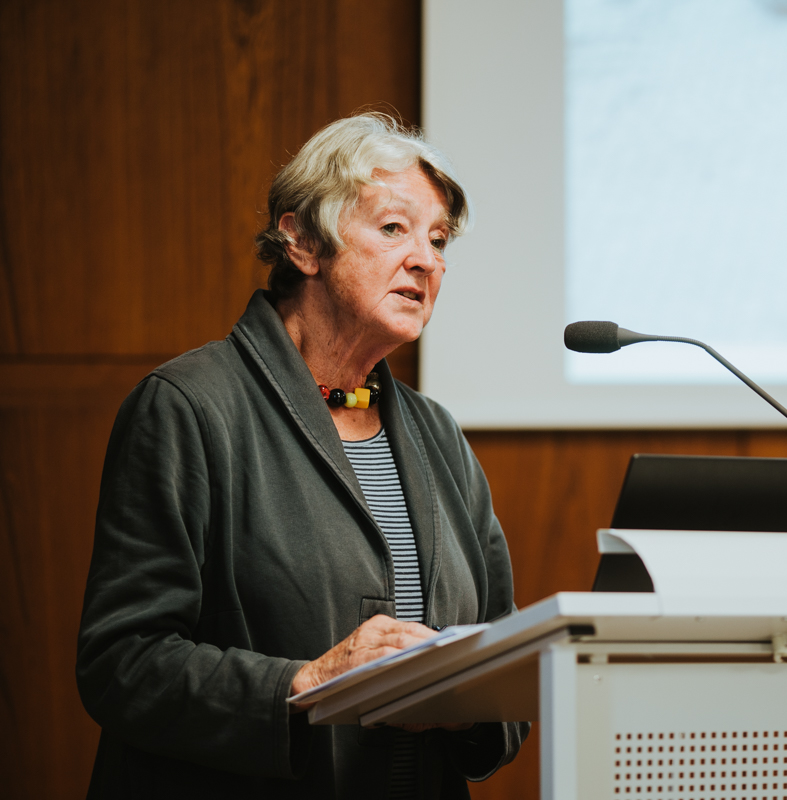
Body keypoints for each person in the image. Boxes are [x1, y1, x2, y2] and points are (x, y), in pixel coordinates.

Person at [76, 112, 527, 799]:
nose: (427, 260)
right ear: (303, 242)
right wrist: (306, 683)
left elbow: (504, 657)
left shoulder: (439, 436)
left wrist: (470, 704)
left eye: (438, 240)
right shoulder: (188, 407)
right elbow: (121, 663)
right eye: (394, 228)